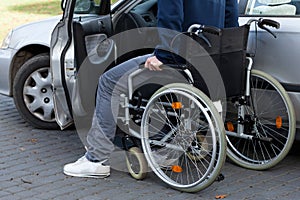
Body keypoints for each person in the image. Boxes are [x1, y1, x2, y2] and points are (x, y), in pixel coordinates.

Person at [63, 0, 239, 178]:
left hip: (180, 58)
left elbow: (170, 17)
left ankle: (96, 159)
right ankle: (164, 152)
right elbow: (231, 19)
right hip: (209, 58)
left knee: (109, 81)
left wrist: (164, 55)